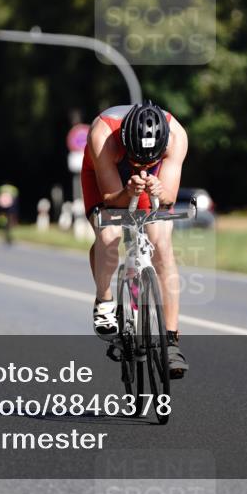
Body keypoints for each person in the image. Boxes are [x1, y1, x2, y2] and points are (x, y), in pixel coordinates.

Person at [81, 101, 189, 378]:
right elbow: (110, 200)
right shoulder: (102, 135)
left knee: (161, 244)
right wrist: (127, 191)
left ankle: (171, 340)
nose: (141, 165)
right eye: (137, 159)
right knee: (109, 232)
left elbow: (168, 199)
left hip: (152, 180)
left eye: (148, 160)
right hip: (106, 174)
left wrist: (158, 188)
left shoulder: (177, 136)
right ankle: (104, 301)